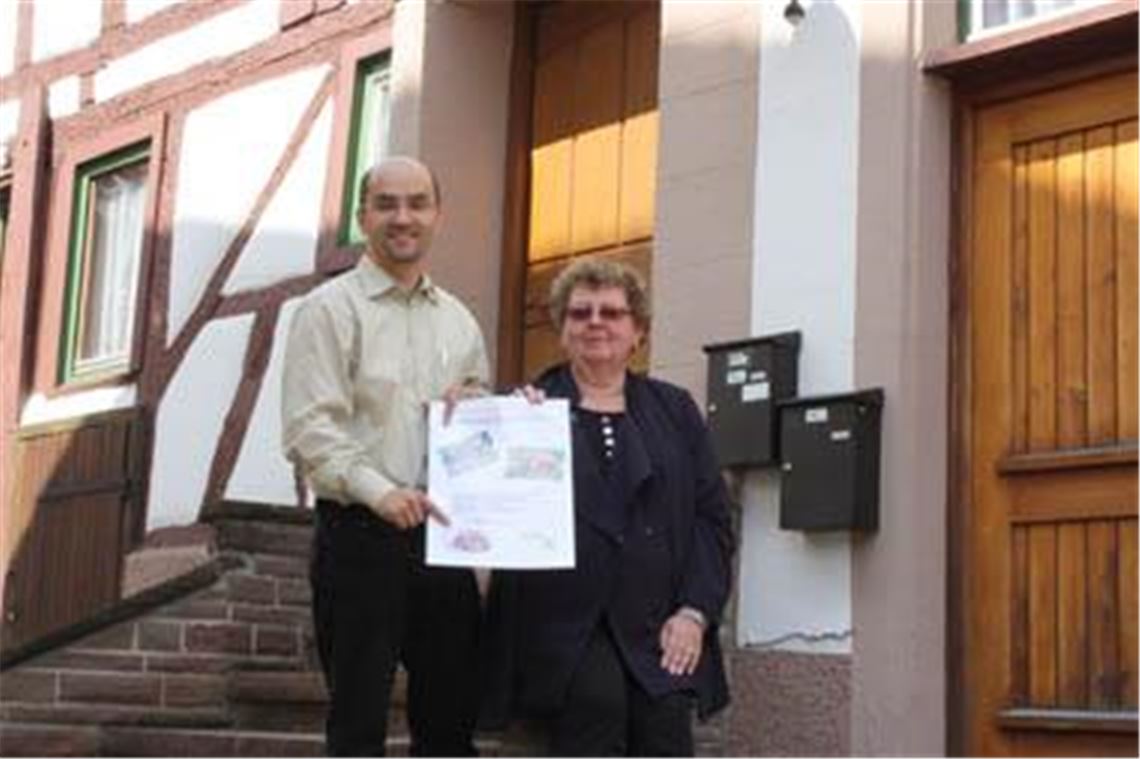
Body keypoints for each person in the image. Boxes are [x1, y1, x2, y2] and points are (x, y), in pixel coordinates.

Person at [282, 156, 489, 756]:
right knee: (357, 725)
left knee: (451, 723)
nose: (404, 218)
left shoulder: (460, 320)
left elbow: (477, 427)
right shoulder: (328, 309)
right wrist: (379, 492)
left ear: (438, 215)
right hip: (359, 537)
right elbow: (309, 428)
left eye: (418, 203)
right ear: (362, 217)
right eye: (387, 204)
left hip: (444, 543)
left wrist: (477, 404)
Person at [485, 258, 734, 756]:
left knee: (665, 726)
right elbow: (491, 510)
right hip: (563, 628)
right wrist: (503, 429)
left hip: (659, 623)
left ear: (637, 331)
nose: (595, 322)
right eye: (580, 313)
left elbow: (711, 519)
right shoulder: (526, 409)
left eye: (612, 313)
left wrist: (694, 612)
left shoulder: (675, 409)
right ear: (561, 330)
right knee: (593, 714)